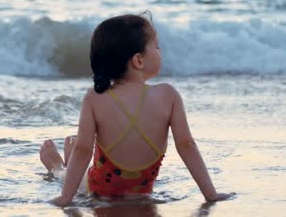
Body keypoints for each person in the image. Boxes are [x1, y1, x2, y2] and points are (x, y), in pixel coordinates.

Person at [39, 12, 233, 207]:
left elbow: (83, 149)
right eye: (156, 46)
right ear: (138, 60)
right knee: (66, 174)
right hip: (116, 191)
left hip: (100, 190)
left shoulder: (95, 98)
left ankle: (69, 165)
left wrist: (65, 198)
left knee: (79, 168)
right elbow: (186, 145)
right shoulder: (169, 95)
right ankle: (56, 166)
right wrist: (211, 194)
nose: (160, 51)